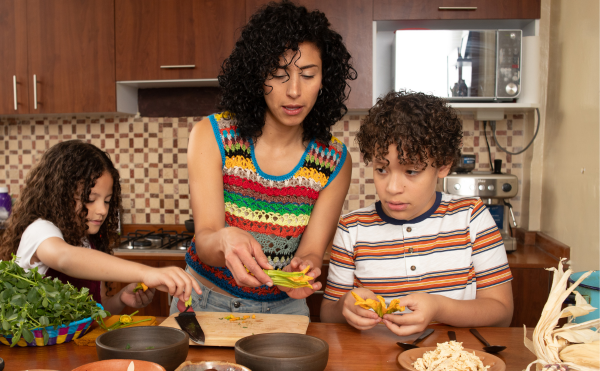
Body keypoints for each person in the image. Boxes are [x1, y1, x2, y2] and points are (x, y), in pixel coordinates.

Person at [170, 0, 355, 316]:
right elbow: (205, 240)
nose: (294, 91)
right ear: (257, 76)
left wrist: (304, 269)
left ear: (325, 80)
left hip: (285, 309)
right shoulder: (212, 135)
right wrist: (224, 240)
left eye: (308, 75)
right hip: (203, 303)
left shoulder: (334, 160)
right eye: (279, 74)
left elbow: (311, 251)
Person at [320, 90, 514, 335]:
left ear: (443, 165)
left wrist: (438, 308)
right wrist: (345, 307)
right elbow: (328, 313)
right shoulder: (353, 228)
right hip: (375, 362)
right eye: (382, 169)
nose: (392, 188)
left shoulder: (471, 217)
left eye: (411, 171)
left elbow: (502, 312)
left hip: (451, 362)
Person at [0, 140, 201, 315]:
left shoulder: (88, 240)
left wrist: (121, 299)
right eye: (89, 199)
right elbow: (65, 258)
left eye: (107, 200)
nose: (102, 210)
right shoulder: (40, 230)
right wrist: (147, 273)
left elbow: (98, 311)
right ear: (59, 196)